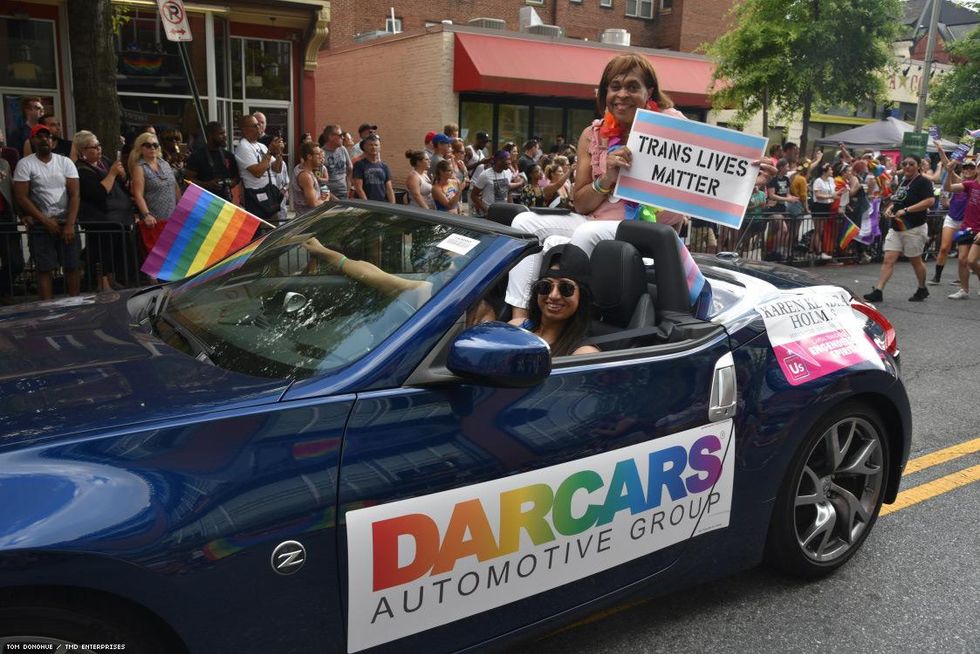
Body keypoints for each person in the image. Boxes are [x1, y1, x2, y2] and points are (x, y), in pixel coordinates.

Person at [504, 53, 686, 316]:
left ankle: (572, 323)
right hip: (593, 219)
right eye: (615, 86)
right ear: (604, 93)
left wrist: (750, 176)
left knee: (584, 236)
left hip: (645, 229)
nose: (622, 94)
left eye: (633, 87)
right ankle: (519, 318)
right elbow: (580, 202)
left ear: (650, 92)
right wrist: (607, 179)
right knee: (523, 223)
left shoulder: (669, 124)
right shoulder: (593, 134)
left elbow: (710, 166)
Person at [12, 123, 81, 300]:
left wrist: (70, 224)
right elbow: (21, 197)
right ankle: (47, 309)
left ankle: (76, 306)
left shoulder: (65, 162)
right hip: (41, 225)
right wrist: (44, 220)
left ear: (53, 141)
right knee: (44, 268)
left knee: (72, 266)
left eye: (48, 136)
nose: (44, 139)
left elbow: (75, 195)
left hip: (66, 221)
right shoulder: (25, 164)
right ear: (32, 140)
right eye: (39, 136)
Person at [863, 154, 935, 303]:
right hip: (896, 227)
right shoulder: (904, 181)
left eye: (911, 164)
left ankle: (922, 288)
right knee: (888, 259)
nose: (907, 166)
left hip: (914, 227)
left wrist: (908, 210)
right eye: (905, 164)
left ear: (918, 166)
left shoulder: (923, 182)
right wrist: (891, 208)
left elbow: (930, 201)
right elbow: (898, 200)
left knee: (915, 261)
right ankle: (878, 290)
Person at [508, 244, 599, 357]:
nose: (554, 295)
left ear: (582, 295)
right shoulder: (516, 327)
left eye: (566, 288)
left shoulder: (584, 353)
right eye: (545, 286)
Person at [74, 130, 133, 291]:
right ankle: (102, 282)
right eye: (93, 147)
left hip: (118, 216)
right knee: (101, 252)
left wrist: (122, 176)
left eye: (99, 145)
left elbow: (120, 183)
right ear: (82, 151)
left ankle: (113, 279)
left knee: (115, 251)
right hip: (98, 218)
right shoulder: (81, 170)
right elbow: (98, 193)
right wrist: (113, 173)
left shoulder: (105, 161)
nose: (99, 149)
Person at [130, 131, 180, 266]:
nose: (152, 148)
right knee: (156, 259)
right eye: (148, 145)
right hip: (154, 220)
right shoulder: (139, 168)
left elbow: (175, 187)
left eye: (155, 145)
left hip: (171, 217)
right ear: (141, 148)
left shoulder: (165, 164)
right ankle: (156, 284)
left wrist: (181, 208)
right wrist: (146, 214)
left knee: (172, 256)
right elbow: (138, 193)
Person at [939, 152, 980, 299]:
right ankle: (964, 290)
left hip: (979, 231)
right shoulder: (970, 184)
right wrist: (949, 171)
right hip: (967, 227)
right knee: (962, 260)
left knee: (971, 260)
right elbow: (949, 188)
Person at [235, 114, 285, 221]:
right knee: (262, 232)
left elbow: (277, 169)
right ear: (244, 130)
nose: (259, 128)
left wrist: (279, 152)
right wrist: (270, 151)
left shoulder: (261, 146)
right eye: (255, 126)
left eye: (259, 125)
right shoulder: (243, 147)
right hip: (256, 198)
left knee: (273, 230)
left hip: (270, 195)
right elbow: (258, 172)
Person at [184, 121, 240, 202]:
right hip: (203, 201)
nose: (225, 136)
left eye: (224, 133)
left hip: (225, 200)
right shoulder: (197, 155)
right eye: (221, 133)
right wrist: (207, 185)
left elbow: (237, 177)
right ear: (210, 135)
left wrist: (231, 183)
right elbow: (187, 179)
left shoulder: (228, 155)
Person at [0, 153, 24, 304]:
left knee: (15, 262)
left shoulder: (4, 164)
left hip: (5, 218)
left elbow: (12, 191)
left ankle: (3, 288)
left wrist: (21, 213)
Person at [469, 150, 523, 217]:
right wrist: (486, 210)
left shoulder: (508, 172)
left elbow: (508, 191)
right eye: (508, 159)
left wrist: (512, 209)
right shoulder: (485, 175)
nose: (510, 162)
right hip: (490, 214)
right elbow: (474, 195)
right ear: (499, 161)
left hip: (504, 212)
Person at [287, 141, 330, 217]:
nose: (321, 157)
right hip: (307, 220)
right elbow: (313, 203)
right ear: (309, 156)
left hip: (308, 219)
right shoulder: (306, 176)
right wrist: (326, 197)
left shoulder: (302, 168)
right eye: (318, 154)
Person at [352, 134, 395, 203]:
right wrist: (367, 205)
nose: (374, 147)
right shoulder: (359, 165)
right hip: (365, 204)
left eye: (376, 145)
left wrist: (393, 206)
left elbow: (389, 189)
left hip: (382, 203)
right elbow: (358, 188)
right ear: (364, 147)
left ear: (380, 148)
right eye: (370, 145)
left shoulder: (384, 166)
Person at [319, 124, 353, 200]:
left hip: (344, 194)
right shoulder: (320, 154)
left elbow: (350, 168)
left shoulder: (343, 149)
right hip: (328, 196)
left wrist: (348, 189)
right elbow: (318, 181)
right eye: (340, 135)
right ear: (331, 137)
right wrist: (331, 197)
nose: (343, 137)